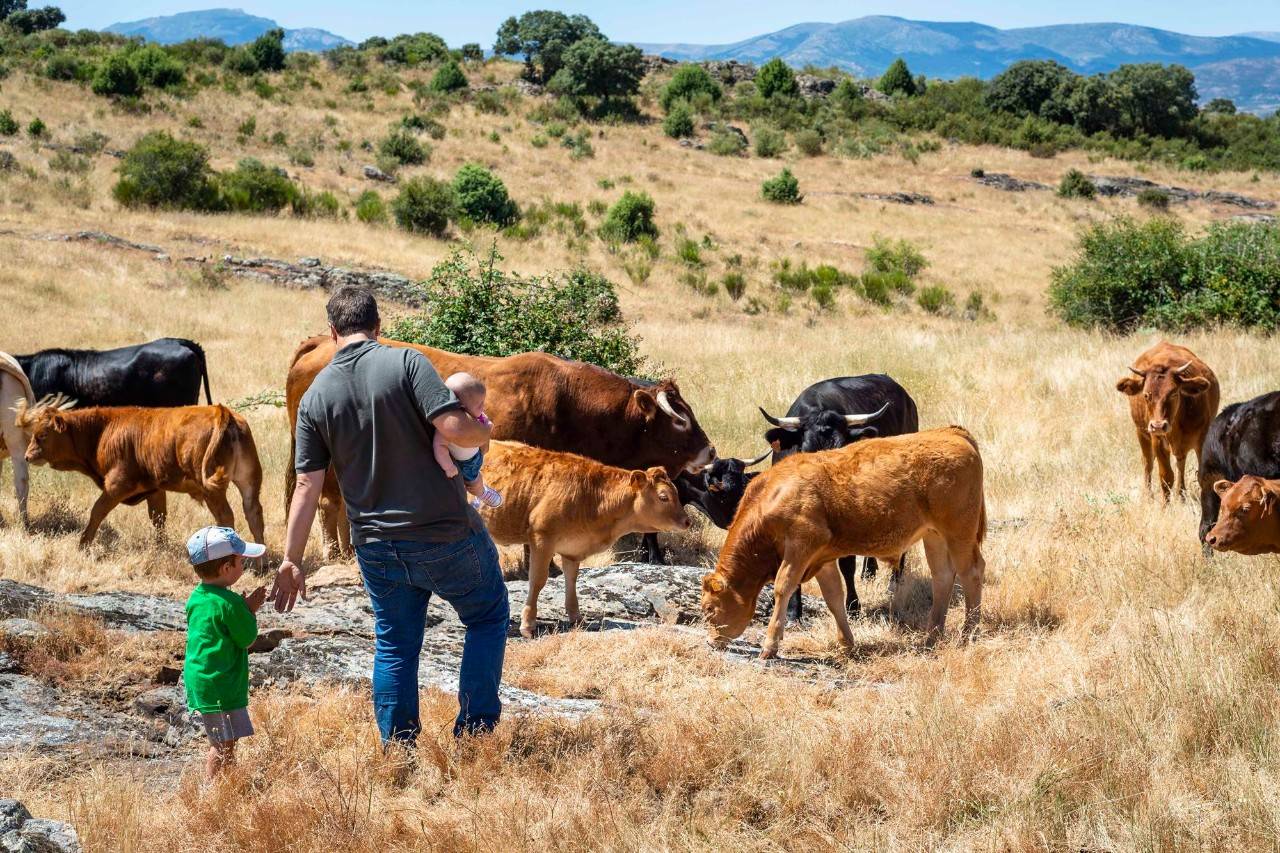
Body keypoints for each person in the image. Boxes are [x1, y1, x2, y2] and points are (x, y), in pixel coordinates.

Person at [272, 286, 509, 745]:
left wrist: (291, 559)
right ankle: (476, 735)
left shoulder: (316, 395)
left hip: (375, 545)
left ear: (334, 331)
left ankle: (399, 749)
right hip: (444, 532)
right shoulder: (406, 363)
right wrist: (485, 428)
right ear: (378, 327)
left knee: (395, 645)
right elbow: (454, 428)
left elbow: (307, 485)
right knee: (487, 616)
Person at [182, 525, 267, 780]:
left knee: (225, 741)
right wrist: (248, 609)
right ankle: (212, 795)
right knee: (222, 744)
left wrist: (241, 607)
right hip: (221, 684)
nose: (244, 566)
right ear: (226, 569)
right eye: (241, 561)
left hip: (203, 679)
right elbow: (248, 639)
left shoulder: (197, 597)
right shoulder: (229, 604)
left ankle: (224, 785)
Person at [433, 372, 503, 509]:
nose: (483, 407)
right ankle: (481, 493)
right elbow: (439, 446)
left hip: (475, 454)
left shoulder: (474, 414)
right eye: (479, 405)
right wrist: (448, 466)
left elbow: (484, 419)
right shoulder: (449, 426)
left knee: (478, 470)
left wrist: (487, 426)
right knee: (474, 481)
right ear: (462, 407)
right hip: (465, 464)